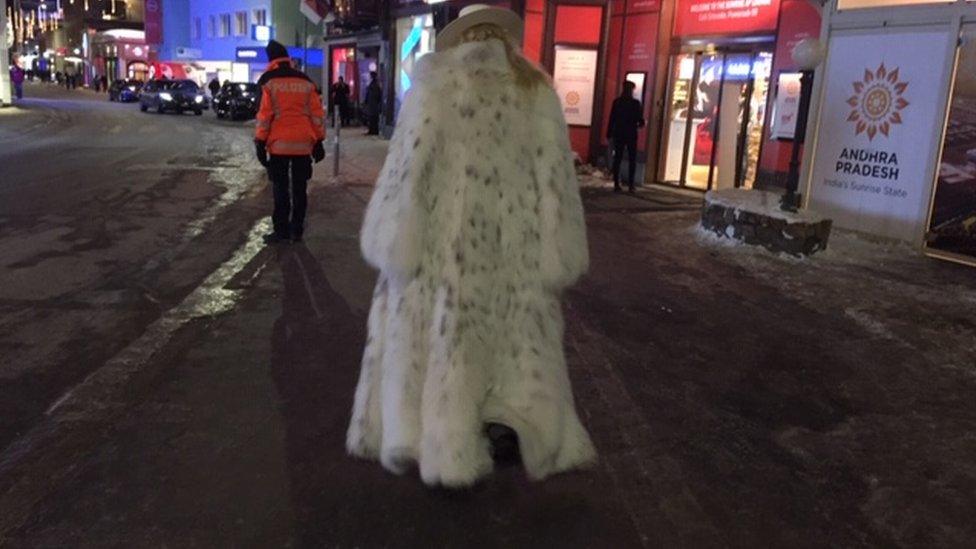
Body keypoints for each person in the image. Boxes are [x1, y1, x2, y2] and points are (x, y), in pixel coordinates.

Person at [347, 4, 595, 488]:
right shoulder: (538, 94)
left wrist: (392, 243)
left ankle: (439, 441)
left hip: (441, 259)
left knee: (439, 342)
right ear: (505, 38)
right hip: (514, 258)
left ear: (460, 37)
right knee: (514, 346)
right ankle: (503, 424)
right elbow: (559, 191)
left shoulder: (434, 90)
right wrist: (557, 255)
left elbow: (405, 179)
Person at [254, 40, 326, 244]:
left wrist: (260, 142)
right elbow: (316, 115)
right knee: (300, 189)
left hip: (278, 146)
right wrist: (319, 141)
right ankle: (297, 230)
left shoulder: (268, 81)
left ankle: (282, 231)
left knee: (280, 189)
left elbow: (264, 116)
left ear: (271, 59)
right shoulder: (305, 81)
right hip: (303, 144)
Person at [606, 80, 645, 193]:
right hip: (631, 134)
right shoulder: (635, 103)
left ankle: (616, 184)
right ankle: (631, 185)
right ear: (632, 90)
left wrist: (609, 133)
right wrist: (641, 124)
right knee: (632, 159)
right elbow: (640, 121)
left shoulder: (617, 102)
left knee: (617, 158)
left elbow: (612, 119)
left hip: (619, 133)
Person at [363, 71, 382, 135]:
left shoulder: (375, 85)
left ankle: (374, 130)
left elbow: (376, 95)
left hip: (373, 105)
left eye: (370, 76)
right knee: (371, 118)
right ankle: (372, 130)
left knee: (373, 118)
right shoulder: (373, 84)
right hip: (372, 104)